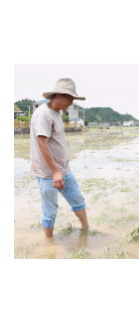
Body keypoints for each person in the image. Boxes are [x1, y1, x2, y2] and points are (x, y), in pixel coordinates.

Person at [30, 78, 89, 238]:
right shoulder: (43, 114)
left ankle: (86, 231)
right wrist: (55, 172)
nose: (70, 103)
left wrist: (61, 170)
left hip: (64, 171)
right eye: (69, 99)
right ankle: (50, 245)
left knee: (78, 200)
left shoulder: (56, 114)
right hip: (48, 174)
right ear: (58, 96)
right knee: (50, 211)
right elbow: (42, 143)